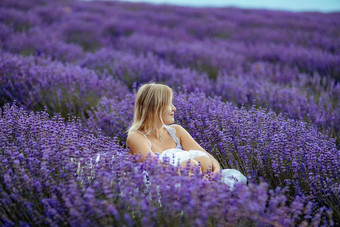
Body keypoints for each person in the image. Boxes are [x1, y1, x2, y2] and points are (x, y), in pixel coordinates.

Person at [126, 83, 247, 188]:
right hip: (163, 185)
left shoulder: (176, 131)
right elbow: (158, 170)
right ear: (156, 107)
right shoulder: (136, 137)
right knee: (192, 165)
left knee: (231, 175)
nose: (174, 108)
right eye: (169, 104)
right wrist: (196, 175)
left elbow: (210, 158)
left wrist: (214, 175)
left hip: (197, 181)